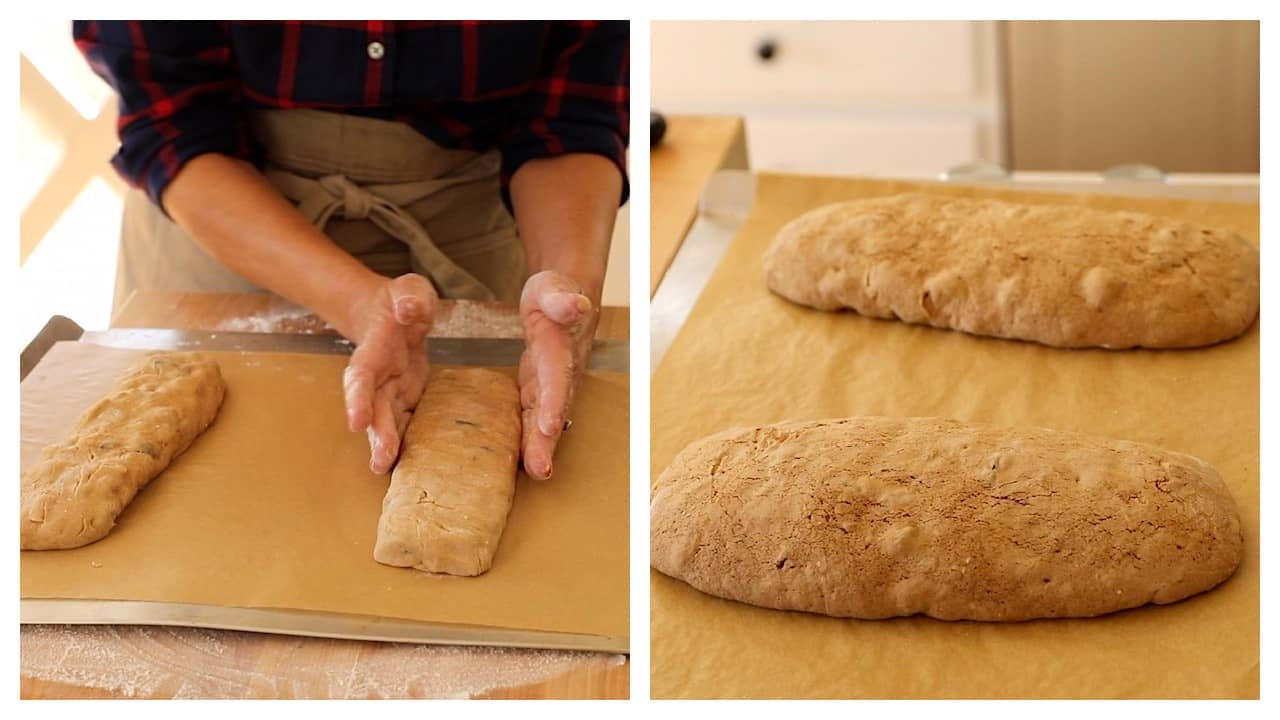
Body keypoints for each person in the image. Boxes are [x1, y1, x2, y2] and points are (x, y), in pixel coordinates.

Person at [74, 20, 629, 480]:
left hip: (464, 230)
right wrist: (358, 301)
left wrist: (566, 287)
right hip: (222, 225)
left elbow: (570, 123)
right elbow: (173, 124)